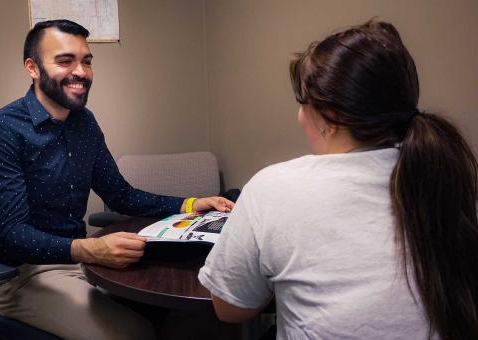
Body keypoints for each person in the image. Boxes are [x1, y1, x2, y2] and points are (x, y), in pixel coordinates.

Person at [198, 20, 478, 340]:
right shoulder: (451, 180)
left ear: (329, 118)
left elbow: (229, 307)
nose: (300, 116)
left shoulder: (272, 189)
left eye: (303, 103)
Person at [0, 19, 234, 340]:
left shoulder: (83, 122)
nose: (81, 72)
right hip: (24, 276)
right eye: (64, 60)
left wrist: (192, 203)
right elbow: (12, 235)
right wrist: (90, 249)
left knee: (189, 316)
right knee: (132, 334)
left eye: (86, 61)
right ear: (32, 68)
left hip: (82, 263)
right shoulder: (4, 128)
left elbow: (120, 195)